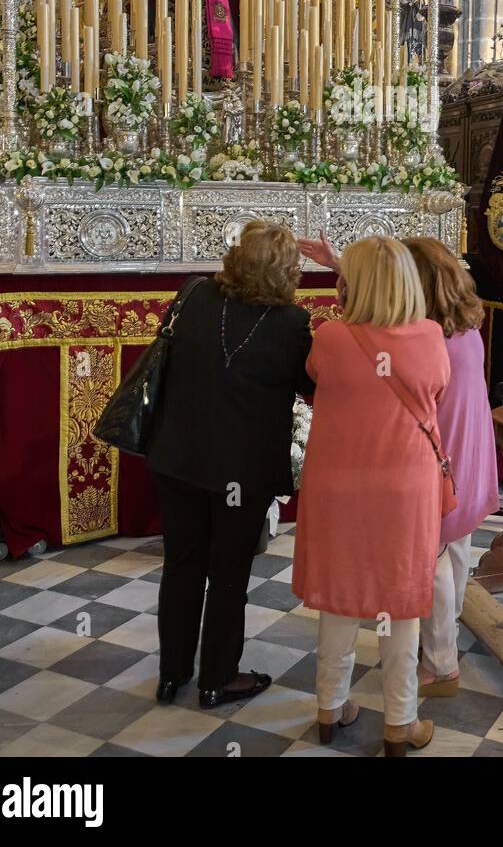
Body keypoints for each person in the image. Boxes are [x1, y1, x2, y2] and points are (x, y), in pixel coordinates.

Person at [291, 236, 450, 756]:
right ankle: (400, 723)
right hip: (404, 490)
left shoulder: (332, 337)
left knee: (341, 593)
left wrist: (346, 272)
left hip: (339, 486)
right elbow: (438, 390)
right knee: (400, 600)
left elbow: (317, 375)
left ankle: (329, 707)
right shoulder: (430, 335)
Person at [146, 220, 312, 709]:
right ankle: (217, 679)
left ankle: (171, 675)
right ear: (284, 272)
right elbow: (313, 386)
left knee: (181, 567)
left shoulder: (194, 296)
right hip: (241, 473)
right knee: (228, 576)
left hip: (179, 459)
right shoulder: (290, 324)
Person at [403, 239, 499, 695]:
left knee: (434, 556)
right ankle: (447, 635)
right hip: (470, 450)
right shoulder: (463, 325)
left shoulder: (427, 337)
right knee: (454, 548)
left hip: (444, 454)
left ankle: (441, 663)